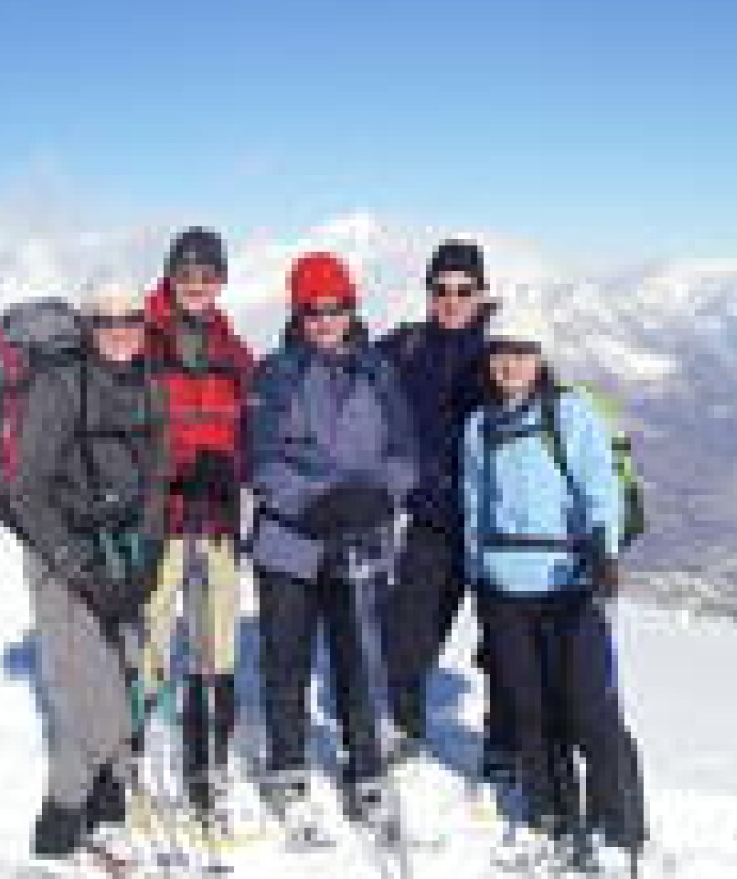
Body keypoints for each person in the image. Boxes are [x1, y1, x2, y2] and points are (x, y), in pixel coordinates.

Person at [246, 252, 418, 835]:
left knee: (359, 658)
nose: (325, 320)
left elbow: (404, 453)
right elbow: (262, 459)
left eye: (335, 308)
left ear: (351, 309)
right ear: (297, 314)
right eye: (313, 310)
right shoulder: (275, 373)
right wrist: (314, 503)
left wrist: (378, 497)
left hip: (361, 536)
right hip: (290, 542)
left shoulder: (377, 371)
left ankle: (365, 767)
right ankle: (288, 767)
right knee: (285, 658)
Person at [6, 284, 169, 861]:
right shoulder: (60, 388)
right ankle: (59, 819)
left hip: (123, 548)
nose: (121, 331)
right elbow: (24, 491)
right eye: (108, 322)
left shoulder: (149, 386)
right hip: (62, 553)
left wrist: (147, 556)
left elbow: (156, 478)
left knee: (125, 674)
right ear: (89, 327)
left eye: (131, 320)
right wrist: (78, 567)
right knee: (88, 693)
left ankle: (107, 799)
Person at [463, 299, 626, 871]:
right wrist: (473, 572)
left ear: (540, 358)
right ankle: (549, 813)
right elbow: (474, 504)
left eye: (522, 352)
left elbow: (599, 489)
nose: (509, 364)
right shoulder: (479, 425)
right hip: (504, 588)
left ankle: (620, 823)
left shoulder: (570, 416)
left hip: (568, 582)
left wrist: (603, 552)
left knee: (587, 708)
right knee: (531, 709)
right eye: (501, 352)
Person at [141, 227, 253, 827]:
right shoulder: (144, 340)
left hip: (216, 520)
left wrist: (233, 471)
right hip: (163, 517)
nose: (197, 286)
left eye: (208, 276)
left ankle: (209, 758)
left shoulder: (235, 352)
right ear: (170, 277)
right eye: (187, 275)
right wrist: (176, 471)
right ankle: (141, 749)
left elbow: (251, 436)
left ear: (221, 281)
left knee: (218, 642)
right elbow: (126, 428)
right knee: (154, 634)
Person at [377, 241, 495, 758]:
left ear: (481, 293)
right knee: (411, 634)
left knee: (505, 647)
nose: (451, 300)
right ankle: (404, 726)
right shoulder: (406, 349)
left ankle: (505, 745)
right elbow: (343, 360)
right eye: (440, 290)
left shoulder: (502, 353)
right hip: (430, 519)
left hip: (493, 526)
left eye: (462, 291)